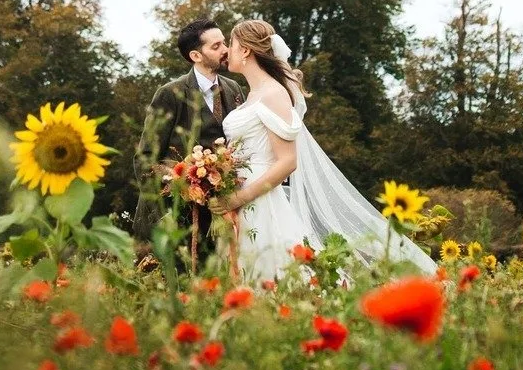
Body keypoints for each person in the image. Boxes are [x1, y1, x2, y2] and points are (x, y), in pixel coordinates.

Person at [209, 19, 434, 281]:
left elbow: (287, 162)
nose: (227, 51)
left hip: (260, 202)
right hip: (242, 200)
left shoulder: (273, 94)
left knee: (276, 277)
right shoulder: (252, 94)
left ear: (246, 50)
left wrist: (238, 198)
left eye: (232, 44)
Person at [133, 19, 245, 246]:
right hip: (177, 220)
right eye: (216, 47)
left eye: (224, 43)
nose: (226, 50)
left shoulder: (234, 89)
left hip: (226, 216)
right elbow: (145, 159)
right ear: (196, 56)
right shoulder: (170, 94)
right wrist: (183, 182)